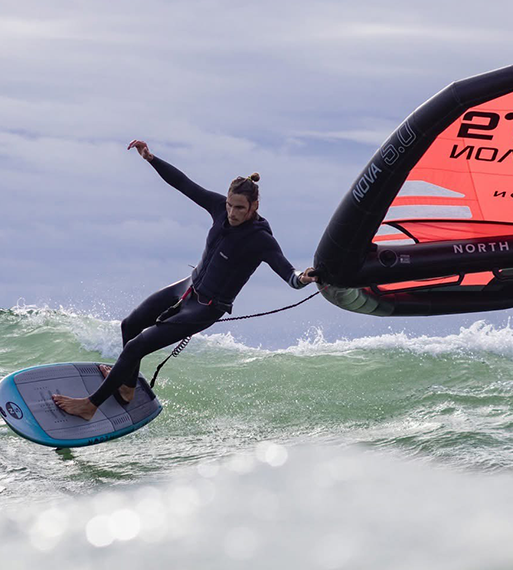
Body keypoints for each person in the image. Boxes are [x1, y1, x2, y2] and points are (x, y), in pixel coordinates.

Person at [52, 140, 318, 419]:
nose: (232, 213)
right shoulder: (219, 208)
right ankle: (127, 387)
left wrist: (303, 277)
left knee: (135, 347)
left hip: (206, 308)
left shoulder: (260, 240)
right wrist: (151, 159)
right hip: (188, 288)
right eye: (230, 205)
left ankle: (90, 406)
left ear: (254, 206)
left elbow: (288, 274)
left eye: (239, 208)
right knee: (130, 325)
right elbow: (184, 184)